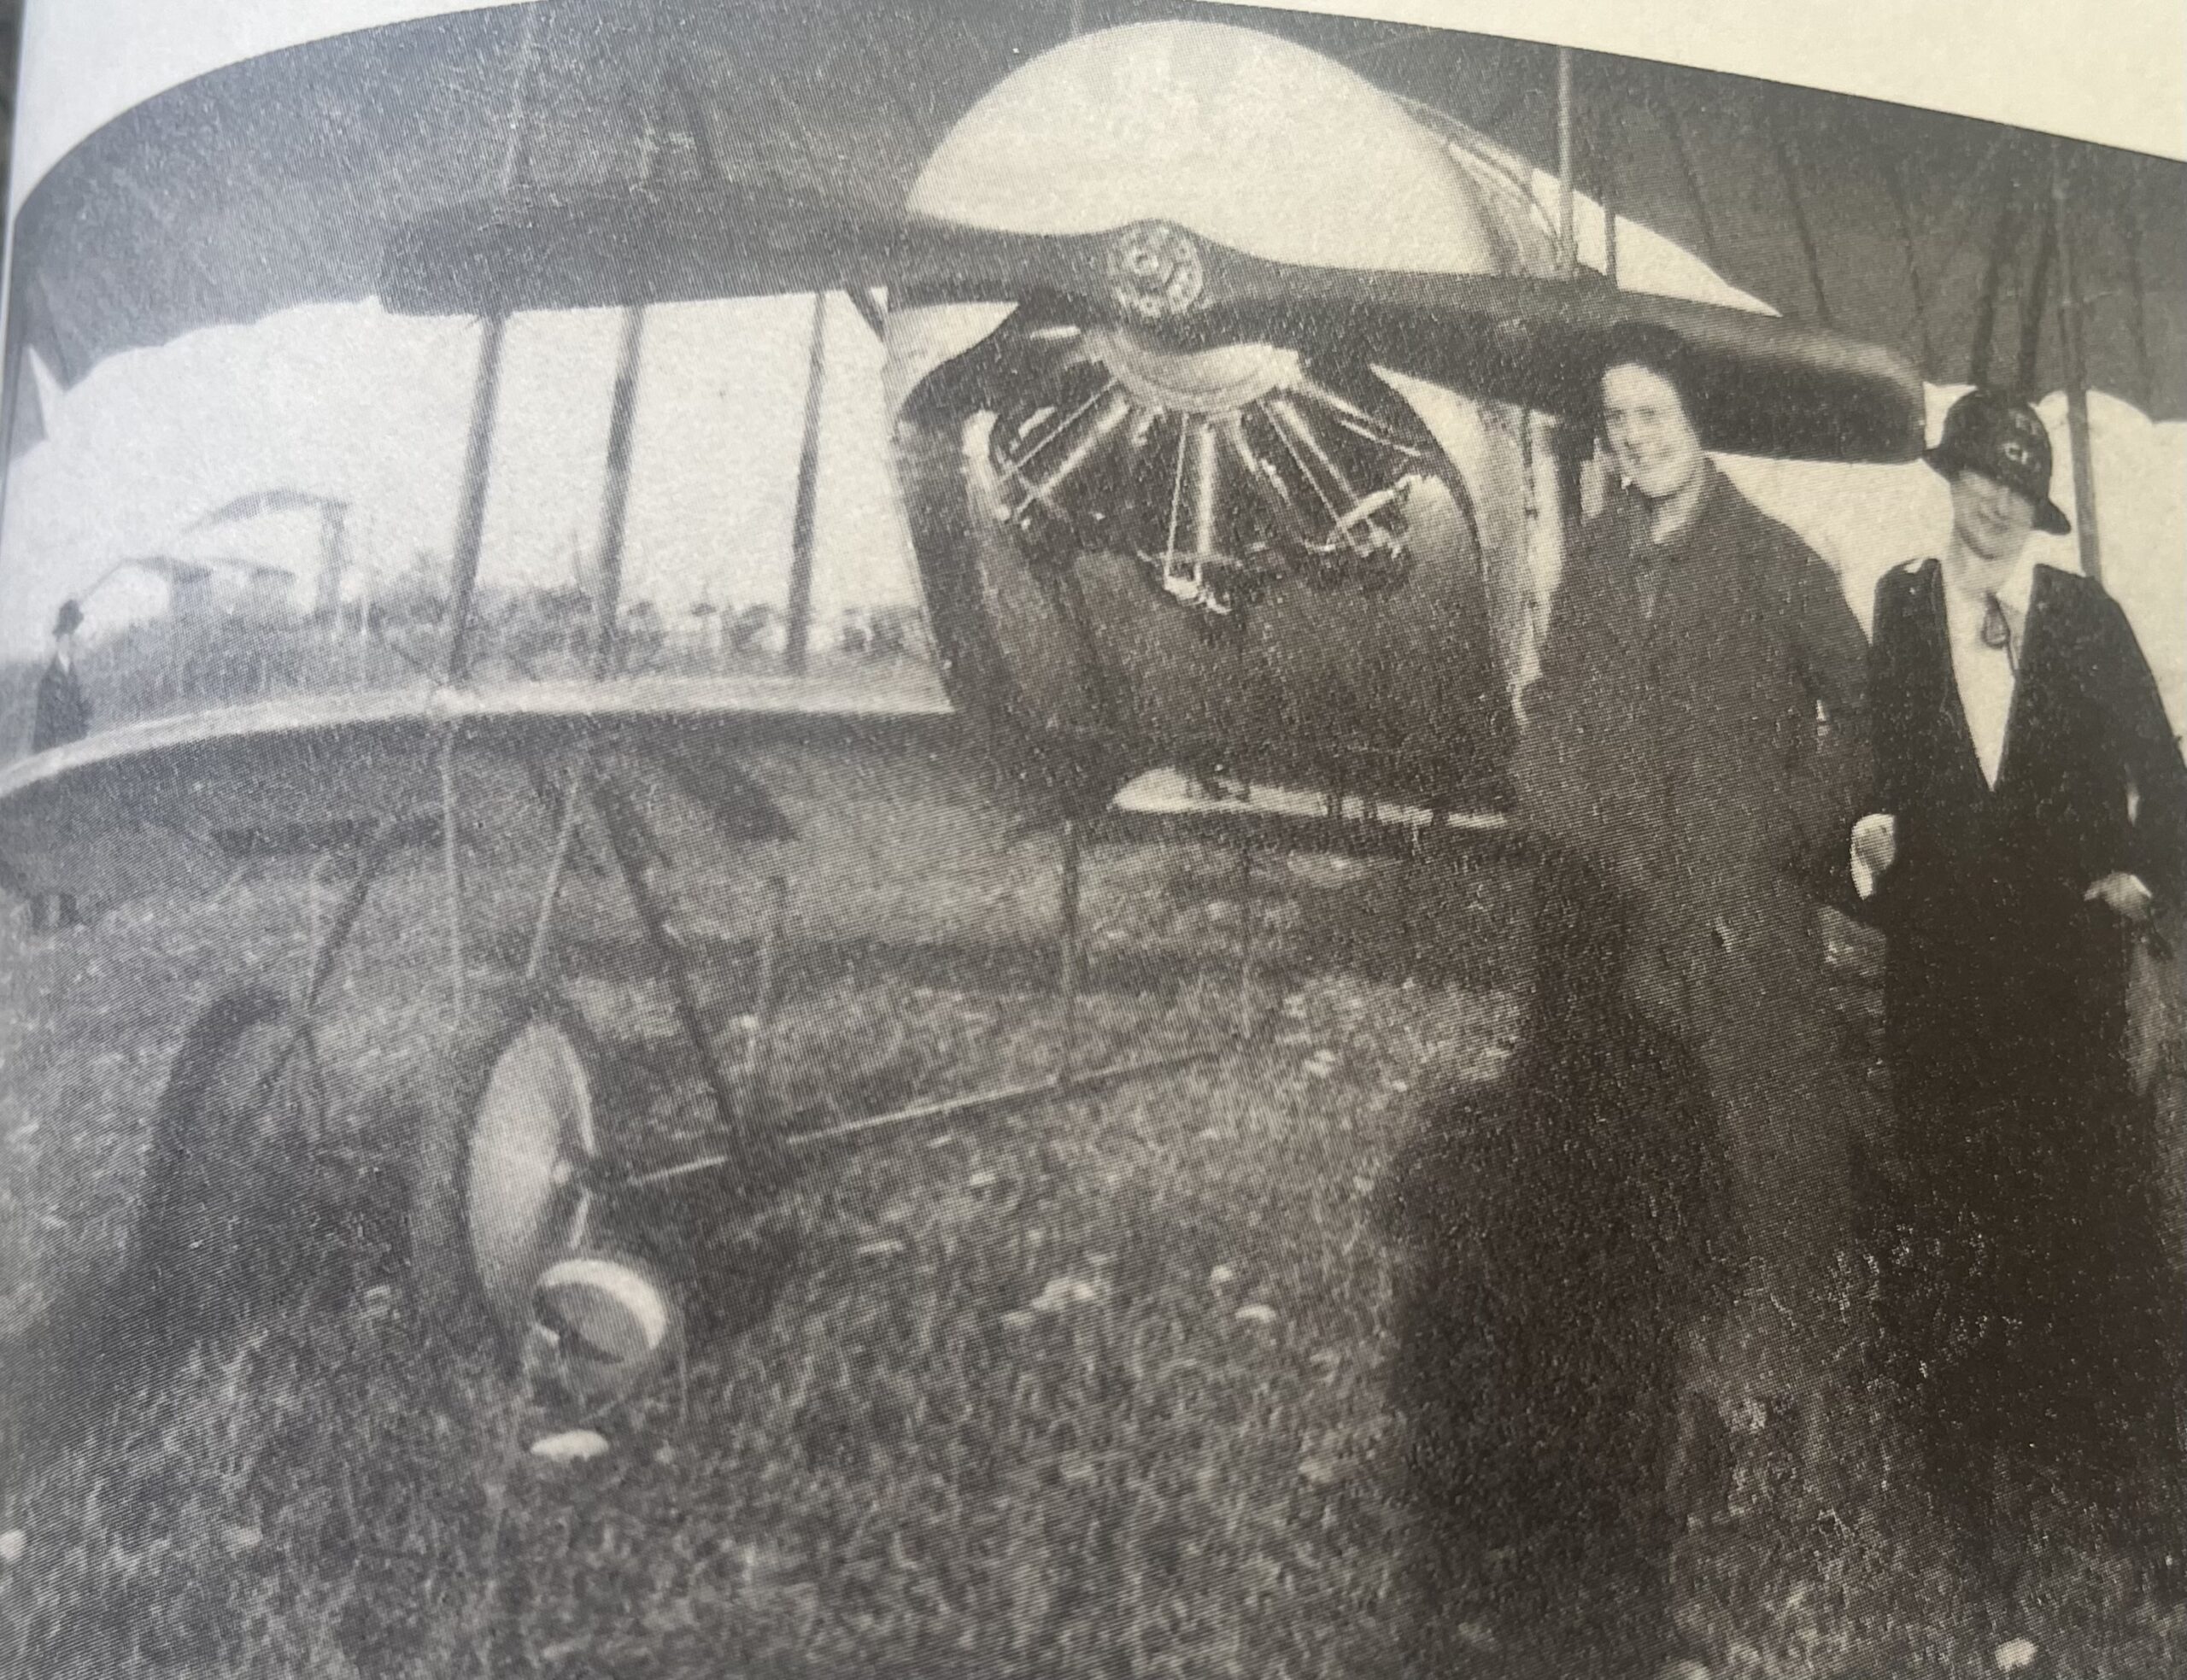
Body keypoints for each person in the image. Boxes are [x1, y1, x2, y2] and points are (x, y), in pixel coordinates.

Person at [1514, 324, 1873, 1485]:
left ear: (1696, 416)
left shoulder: (1771, 557)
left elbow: (1870, 717)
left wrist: (1785, 835)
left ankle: (1800, 1414)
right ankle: (1677, 1409)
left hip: (1749, 932)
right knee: (1654, 1166)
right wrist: (1567, 823)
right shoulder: (1597, 559)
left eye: (1654, 415)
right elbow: (1558, 706)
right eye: (1618, 422)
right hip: (1629, 924)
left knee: (1775, 1166)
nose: (1636, 440)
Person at [1856, 388, 2187, 1619]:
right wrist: (1869, 834)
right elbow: (1874, 777)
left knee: (2094, 1228)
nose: (1991, 501)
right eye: (1975, 476)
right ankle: (1983, 1516)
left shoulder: (2088, 619)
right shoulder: (1896, 604)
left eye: (2014, 483)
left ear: (2036, 504)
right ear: (1950, 477)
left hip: (2063, 987)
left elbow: (2167, 777)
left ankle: (2136, 1489)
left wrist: (2140, 883)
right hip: (1942, 988)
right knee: (1956, 1231)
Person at [27, 599, 91, 932]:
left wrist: (85, 716)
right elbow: (43, 734)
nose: (76, 641)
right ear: (61, 638)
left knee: (71, 842)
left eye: (76, 635)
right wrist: (47, 772)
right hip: (52, 775)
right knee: (47, 847)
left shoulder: (73, 675)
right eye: (71, 635)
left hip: (70, 771)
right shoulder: (49, 682)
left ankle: (68, 911)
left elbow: (78, 722)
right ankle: (39, 919)